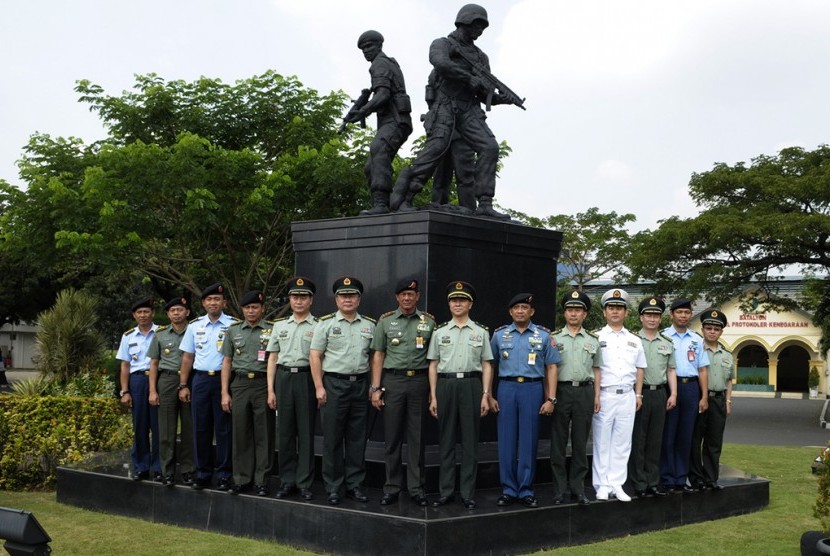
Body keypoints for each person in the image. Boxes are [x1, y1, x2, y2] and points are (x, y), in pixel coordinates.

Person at [389, 3, 511, 219]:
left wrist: (502, 99)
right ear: (464, 20)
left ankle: (484, 203)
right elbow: (441, 63)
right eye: (476, 24)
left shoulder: (481, 57)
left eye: (482, 26)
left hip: (469, 110)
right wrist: (467, 77)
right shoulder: (442, 44)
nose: (479, 30)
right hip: (445, 107)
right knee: (433, 153)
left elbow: (483, 93)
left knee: (490, 147)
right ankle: (405, 198)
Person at [427, 280, 494, 510]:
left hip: (471, 386)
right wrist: (434, 396)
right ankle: (445, 492)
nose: (457, 303)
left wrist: (486, 394)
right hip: (445, 386)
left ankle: (467, 493)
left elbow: (487, 365)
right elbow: (433, 365)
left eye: (462, 300)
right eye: (454, 300)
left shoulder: (481, 332)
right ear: (449, 304)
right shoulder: (439, 332)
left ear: (470, 304)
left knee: (469, 442)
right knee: (445, 441)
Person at [370, 278, 436, 507]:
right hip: (393, 381)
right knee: (392, 437)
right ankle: (392, 487)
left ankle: (416, 488)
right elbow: (378, 355)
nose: (407, 298)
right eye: (403, 294)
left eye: (411, 294)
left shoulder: (428, 322)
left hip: (419, 382)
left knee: (417, 438)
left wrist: (432, 391)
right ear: (397, 298)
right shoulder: (386, 322)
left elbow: (433, 359)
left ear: (418, 297)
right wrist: (375, 388)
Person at [310, 276, 375, 505]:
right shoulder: (325, 323)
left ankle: (355, 485)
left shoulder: (370, 325)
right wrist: (319, 386)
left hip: (360, 385)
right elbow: (315, 356)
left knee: (357, 438)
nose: (347, 299)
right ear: (336, 299)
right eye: (343, 295)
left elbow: (375, 357)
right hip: (334, 385)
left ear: (359, 298)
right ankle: (334, 486)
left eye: (352, 295)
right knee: (333, 438)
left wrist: (373, 386)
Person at [490, 293, 560, 508]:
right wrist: (490, 395)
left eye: (524, 307)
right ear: (510, 312)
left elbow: (551, 367)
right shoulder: (499, 335)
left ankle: (526, 490)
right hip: (507, 388)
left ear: (532, 312)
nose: (520, 311)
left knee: (529, 441)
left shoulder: (544, 336)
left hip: (532, 388)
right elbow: (490, 365)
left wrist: (551, 398)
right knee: (507, 440)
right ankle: (509, 489)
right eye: (516, 308)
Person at [178, 283, 238, 490]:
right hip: (201, 380)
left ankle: (224, 473)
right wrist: (183, 385)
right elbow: (187, 357)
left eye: (217, 299)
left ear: (224, 302)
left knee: (224, 429)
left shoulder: (233, 325)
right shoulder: (194, 326)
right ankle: (202, 472)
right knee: (201, 428)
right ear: (203, 303)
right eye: (209, 300)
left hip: (225, 381)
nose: (213, 303)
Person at [347, 30, 412, 216]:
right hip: (393, 121)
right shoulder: (388, 62)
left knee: (379, 151)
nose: (366, 51)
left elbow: (383, 95)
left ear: (379, 45)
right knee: (371, 166)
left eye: (369, 46)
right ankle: (389, 202)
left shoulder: (380, 64)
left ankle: (381, 205)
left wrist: (363, 111)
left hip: (395, 120)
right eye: (363, 49)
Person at [266, 276, 318, 500]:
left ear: (311, 300)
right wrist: (270, 389)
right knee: (285, 432)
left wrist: (319, 387)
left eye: (303, 297)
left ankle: (305, 482)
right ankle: (287, 480)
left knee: (306, 432)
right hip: (284, 378)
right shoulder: (279, 326)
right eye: (295, 297)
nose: (298, 301)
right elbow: (272, 358)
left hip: (306, 378)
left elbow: (320, 359)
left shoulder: (319, 326)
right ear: (289, 299)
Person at [592, 289, 645, 503]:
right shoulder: (596, 337)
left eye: (619, 308)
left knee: (623, 443)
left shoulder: (634, 340)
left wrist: (638, 394)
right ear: (604, 312)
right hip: (605, 394)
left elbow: (640, 368)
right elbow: (595, 368)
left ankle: (617, 484)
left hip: (628, 396)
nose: (615, 311)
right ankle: (602, 485)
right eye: (611, 308)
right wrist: (595, 395)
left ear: (626, 313)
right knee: (602, 441)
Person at [221, 290, 275, 496]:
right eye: (247, 307)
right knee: (241, 433)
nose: (251, 311)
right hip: (240, 384)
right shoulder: (233, 331)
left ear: (262, 309)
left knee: (264, 434)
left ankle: (262, 480)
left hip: (262, 384)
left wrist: (272, 390)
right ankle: (242, 478)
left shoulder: (272, 329)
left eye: (255, 307)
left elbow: (274, 360)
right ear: (242, 309)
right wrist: (224, 392)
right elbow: (226, 362)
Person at [550, 290, 601, 505]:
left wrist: (597, 396)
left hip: (584, 392)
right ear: (564, 313)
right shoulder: (553, 338)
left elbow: (597, 369)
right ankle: (559, 490)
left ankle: (578, 488)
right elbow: (549, 369)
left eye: (578, 310)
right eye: (570, 310)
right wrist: (549, 396)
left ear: (585, 314)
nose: (573, 314)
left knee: (580, 442)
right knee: (558, 442)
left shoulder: (593, 340)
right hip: (561, 391)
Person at [627, 296, 676, 497]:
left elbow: (671, 370)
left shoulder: (667, 342)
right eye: (648, 315)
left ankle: (652, 481)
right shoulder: (631, 340)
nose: (652, 319)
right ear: (641, 317)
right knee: (638, 439)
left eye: (656, 315)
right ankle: (638, 482)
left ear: (660, 318)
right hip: (638, 393)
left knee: (655, 440)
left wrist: (673, 393)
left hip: (660, 393)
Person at [660, 298, 710, 493]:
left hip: (690, 388)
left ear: (690, 315)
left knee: (685, 435)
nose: (683, 316)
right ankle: (666, 477)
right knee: (668, 434)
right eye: (679, 312)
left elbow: (703, 369)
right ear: (671, 314)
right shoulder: (663, 336)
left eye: (686, 313)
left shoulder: (696, 339)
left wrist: (704, 396)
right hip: (669, 387)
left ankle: (681, 478)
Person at [148, 296, 195, 487]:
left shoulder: (195, 331)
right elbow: (153, 363)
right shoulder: (159, 335)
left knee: (189, 428)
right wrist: (152, 390)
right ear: (167, 314)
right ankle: (167, 470)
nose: (176, 313)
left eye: (180, 310)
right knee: (166, 429)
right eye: (172, 310)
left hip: (190, 379)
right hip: (166, 380)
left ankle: (188, 470)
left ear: (187, 312)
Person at [117, 297, 161, 481]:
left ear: (153, 313)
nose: (143, 315)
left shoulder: (162, 332)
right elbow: (125, 366)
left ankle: (159, 467)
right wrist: (125, 391)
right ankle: (141, 466)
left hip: (159, 380)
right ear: (134, 315)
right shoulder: (128, 336)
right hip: (137, 382)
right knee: (140, 426)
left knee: (159, 426)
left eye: (146, 311)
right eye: (139, 312)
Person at [689, 309, 734, 490]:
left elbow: (730, 380)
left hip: (718, 401)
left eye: (716, 329)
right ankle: (695, 478)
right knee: (694, 440)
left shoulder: (727, 355)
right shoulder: (695, 350)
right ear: (703, 329)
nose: (712, 331)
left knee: (714, 442)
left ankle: (710, 478)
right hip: (699, 398)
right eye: (709, 328)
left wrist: (728, 401)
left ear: (721, 331)